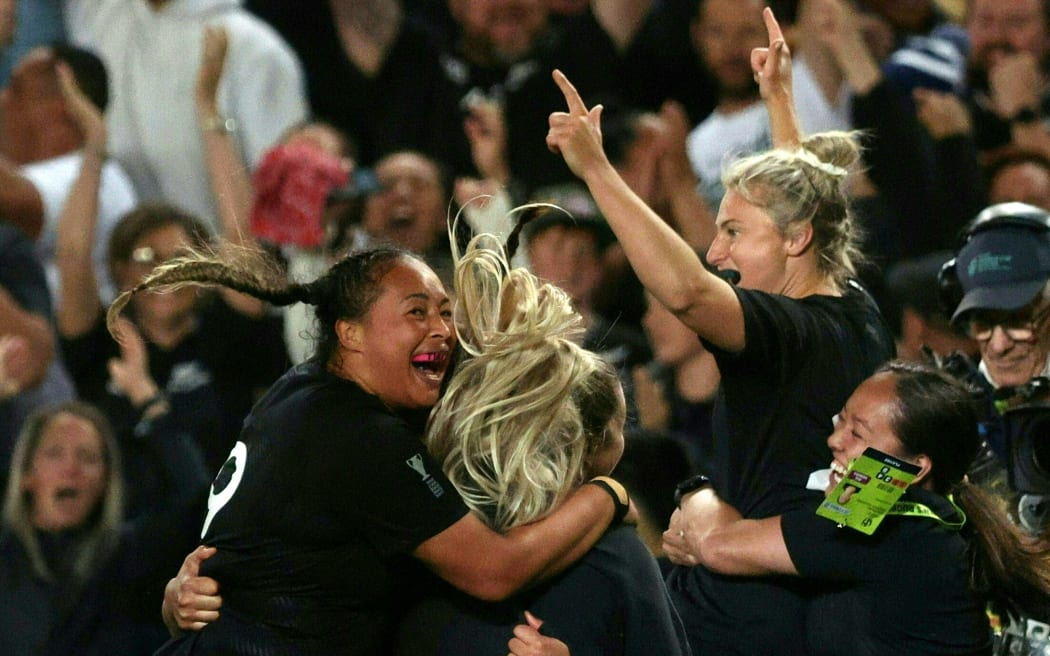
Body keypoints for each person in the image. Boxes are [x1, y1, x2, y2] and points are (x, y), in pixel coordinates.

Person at [546, 8, 895, 654]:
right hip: (795, 608)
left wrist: (596, 171)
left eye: (733, 232)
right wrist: (780, 103)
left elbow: (685, 291)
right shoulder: (856, 307)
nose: (718, 251)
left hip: (749, 618)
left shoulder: (788, 328)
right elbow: (804, 210)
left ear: (795, 240)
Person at [133, 241, 630, 654]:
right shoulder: (359, 437)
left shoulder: (301, 391)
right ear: (349, 333)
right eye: (416, 312)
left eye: (444, 312)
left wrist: (177, 601)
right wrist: (609, 495)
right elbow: (494, 571)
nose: (441, 329)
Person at [392, 233, 689, 655]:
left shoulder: (434, 539)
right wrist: (609, 495)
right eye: (621, 427)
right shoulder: (617, 556)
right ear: (586, 443)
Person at [662, 360, 1050, 655]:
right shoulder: (935, 524)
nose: (834, 440)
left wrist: (696, 492)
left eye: (857, 432)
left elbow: (717, 544)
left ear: (914, 468)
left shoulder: (886, 522)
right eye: (840, 421)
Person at [62, 0, 308, 232]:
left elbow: (284, 206)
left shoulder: (255, 49)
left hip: (232, 265)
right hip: (132, 264)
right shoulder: (104, 26)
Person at [0, 399, 211, 655]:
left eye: (87, 457)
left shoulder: (128, 557)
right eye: (55, 453)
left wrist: (150, 403)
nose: (71, 469)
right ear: (25, 475)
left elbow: (195, 497)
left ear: (104, 482)